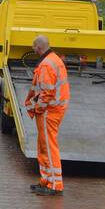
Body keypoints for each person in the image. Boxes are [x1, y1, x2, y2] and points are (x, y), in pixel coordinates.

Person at [24, 35, 70, 196]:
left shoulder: (46, 64)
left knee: (48, 147)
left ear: (38, 47)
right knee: (44, 146)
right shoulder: (54, 59)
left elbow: (47, 92)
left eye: (33, 47)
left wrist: (38, 109)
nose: (33, 50)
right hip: (54, 109)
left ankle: (55, 185)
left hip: (49, 111)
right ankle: (47, 180)